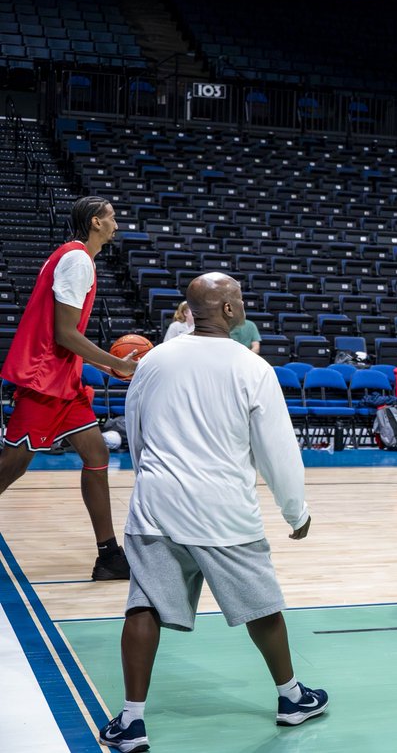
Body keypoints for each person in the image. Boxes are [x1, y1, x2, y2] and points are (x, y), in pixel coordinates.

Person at [98, 273, 328, 752]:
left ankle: (131, 721)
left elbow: (135, 432)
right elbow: (277, 451)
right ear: (225, 310)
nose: (243, 305)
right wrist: (296, 511)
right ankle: (291, 698)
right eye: (239, 298)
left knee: (144, 605)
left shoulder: (153, 361)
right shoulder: (251, 367)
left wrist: (154, 481)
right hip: (223, 510)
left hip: (157, 506)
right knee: (261, 606)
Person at [0, 196, 137, 580]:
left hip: (65, 380)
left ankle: (108, 555)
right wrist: (117, 363)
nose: (115, 222)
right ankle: (109, 554)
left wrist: (104, 367)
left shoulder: (76, 256)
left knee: (96, 454)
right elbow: (63, 334)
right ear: (95, 222)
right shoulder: (77, 260)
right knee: (12, 466)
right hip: (46, 380)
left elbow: (68, 336)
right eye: (111, 216)